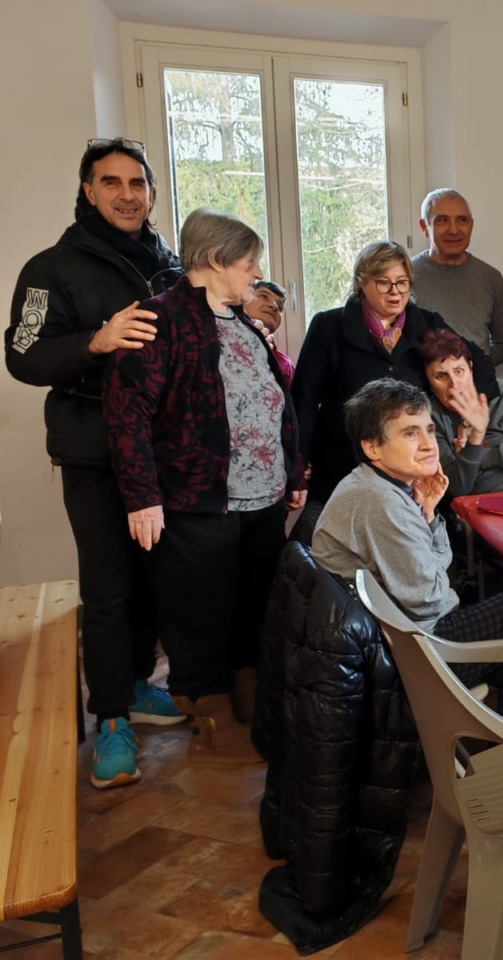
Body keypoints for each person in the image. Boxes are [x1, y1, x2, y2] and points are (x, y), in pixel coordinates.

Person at [5, 137, 186, 790]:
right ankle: (110, 717)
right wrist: (95, 340)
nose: (127, 194)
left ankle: (138, 685)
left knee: (152, 580)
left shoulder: (167, 265)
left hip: (160, 453)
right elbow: (23, 355)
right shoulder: (50, 267)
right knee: (108, 587)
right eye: (111, 182)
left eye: (137, 183)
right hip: (92, 452)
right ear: (87, 190)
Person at [104, 208, 306, 762]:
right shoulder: (160, 319)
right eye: (249, 263)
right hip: (197, 501)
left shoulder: (241, 322)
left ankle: (248, 690)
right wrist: (142, 496)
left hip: (261, 498)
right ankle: (206, 700)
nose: (256, 274)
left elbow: (275, 400)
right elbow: (127, 415)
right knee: (200, 605)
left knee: (254, 601)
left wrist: (290, 471)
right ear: (215, 260)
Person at [311, 378, 503, 726]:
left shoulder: (377, 485)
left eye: (429, 430)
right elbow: (428, 598)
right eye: (410, 434)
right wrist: (444, 583)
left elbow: (437, 567)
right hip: (414, 651)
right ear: (372, 448)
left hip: (403, 634)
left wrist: (427, 513)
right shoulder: (378, 502)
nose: (429, 445)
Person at [290, 239, 498, 544]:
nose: (395, 292)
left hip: (406, 469)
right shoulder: (329, 326)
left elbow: (475, 361)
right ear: (362, 282)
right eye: (384, 283)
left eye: (402, 282)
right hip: (342, 461)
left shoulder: (426, 322)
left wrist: (466, 415)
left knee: (403, 551)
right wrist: (297, 463)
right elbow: (304, 401)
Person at [419, 328, 503, 494]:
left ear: (470, 368)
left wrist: (481, 456)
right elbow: (458, 487)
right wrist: (475, 441)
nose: (454, 384)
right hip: (487, 499)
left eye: (459, 371)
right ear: (429, 383)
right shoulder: (431, 417)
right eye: (441, 376)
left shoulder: (501, 393)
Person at [409, 188, 503, 364]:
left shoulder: (491, 278)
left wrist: (471, 370)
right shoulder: (406, 277)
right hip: (418, 388)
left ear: (471, 225)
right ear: (424, 227)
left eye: (462, 220)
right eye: (442, 220)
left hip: (475, 387)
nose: (454, 229)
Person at [243, 279, 294, 384]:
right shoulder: (216, 339)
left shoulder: (285, 364)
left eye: (280, 306)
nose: (274, 306)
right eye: (263, 296)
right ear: (244, 299)